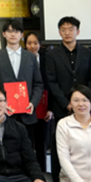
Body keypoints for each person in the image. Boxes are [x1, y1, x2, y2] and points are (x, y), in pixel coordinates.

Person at [0, 19, 43, 142]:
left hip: (27, 114)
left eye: (16, 31)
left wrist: (33, 103)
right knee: (6, 148)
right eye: (9, 31)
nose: (13, 34)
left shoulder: (31, 57)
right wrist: (1, 104)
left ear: (22, 34)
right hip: (5, 113)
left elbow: (38, 84)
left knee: (28, 148)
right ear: (4, 34)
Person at [45, 16, 91, 121]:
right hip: (62, 108)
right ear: (59, 32)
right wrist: (66, 104)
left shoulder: (88, 53)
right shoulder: (51, 55)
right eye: (63, 30)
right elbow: (51, 82)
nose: (67, 33)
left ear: (78, 32)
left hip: (85, 107)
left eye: (71, 29)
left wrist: (85, 100)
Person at [24, 32, 54, 171]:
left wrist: (51, 108)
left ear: (40, 44)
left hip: (44, 105)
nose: (32, 46)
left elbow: (52, 84)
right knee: (28, 141)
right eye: (29, 43)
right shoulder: (22, 59)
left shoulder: (48, 60)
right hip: (26, 105)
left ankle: (42, 172)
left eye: (35, 43)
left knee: (42, 141)